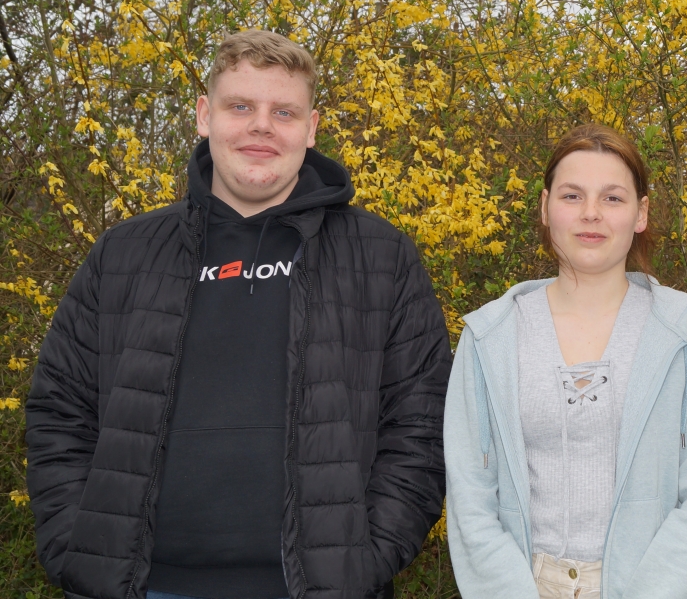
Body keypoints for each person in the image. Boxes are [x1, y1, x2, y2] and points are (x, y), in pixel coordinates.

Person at [25, 30, 452, 599]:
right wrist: (75, 542)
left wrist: (368, 557)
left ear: (311, 127)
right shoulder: (124, 253)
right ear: (205, 115)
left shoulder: (381, 256)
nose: (261, 126)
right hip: (142, 586)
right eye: (241, 106)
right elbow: (59, 411)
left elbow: (421, 424)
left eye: (284, 111)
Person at [444, 123, 687, 599]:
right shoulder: (489, 336)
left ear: (640, 213)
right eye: (572, 196)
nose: (592, 214)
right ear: (544, 208)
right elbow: (471, 497)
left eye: (613, 198)